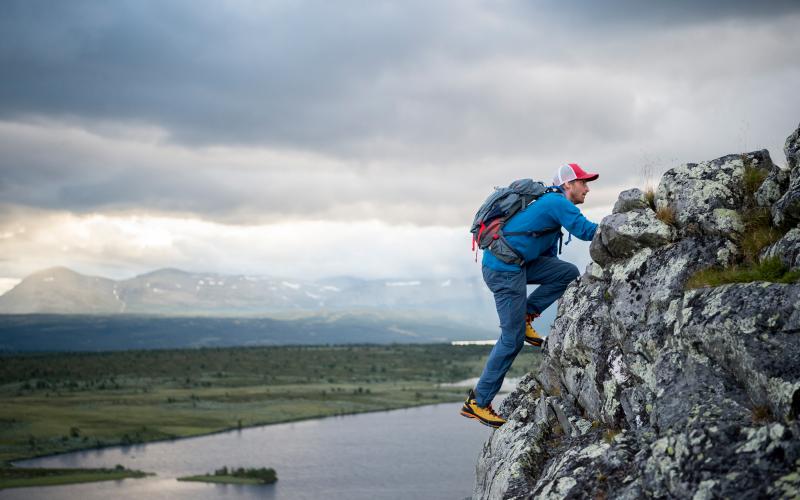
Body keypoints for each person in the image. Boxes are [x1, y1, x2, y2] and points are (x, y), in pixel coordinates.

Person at [460, 163, 599, 428]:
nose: (587, 188)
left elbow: (549, 263)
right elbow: (586, 231)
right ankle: (478, 402)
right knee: (511, 340)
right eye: (583, 182)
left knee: (567, 272)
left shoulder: (549, 206)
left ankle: (526, 315)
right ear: (568, 184)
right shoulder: (557, 203)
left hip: (515, 265)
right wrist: (623, 224)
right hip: (504, 270)